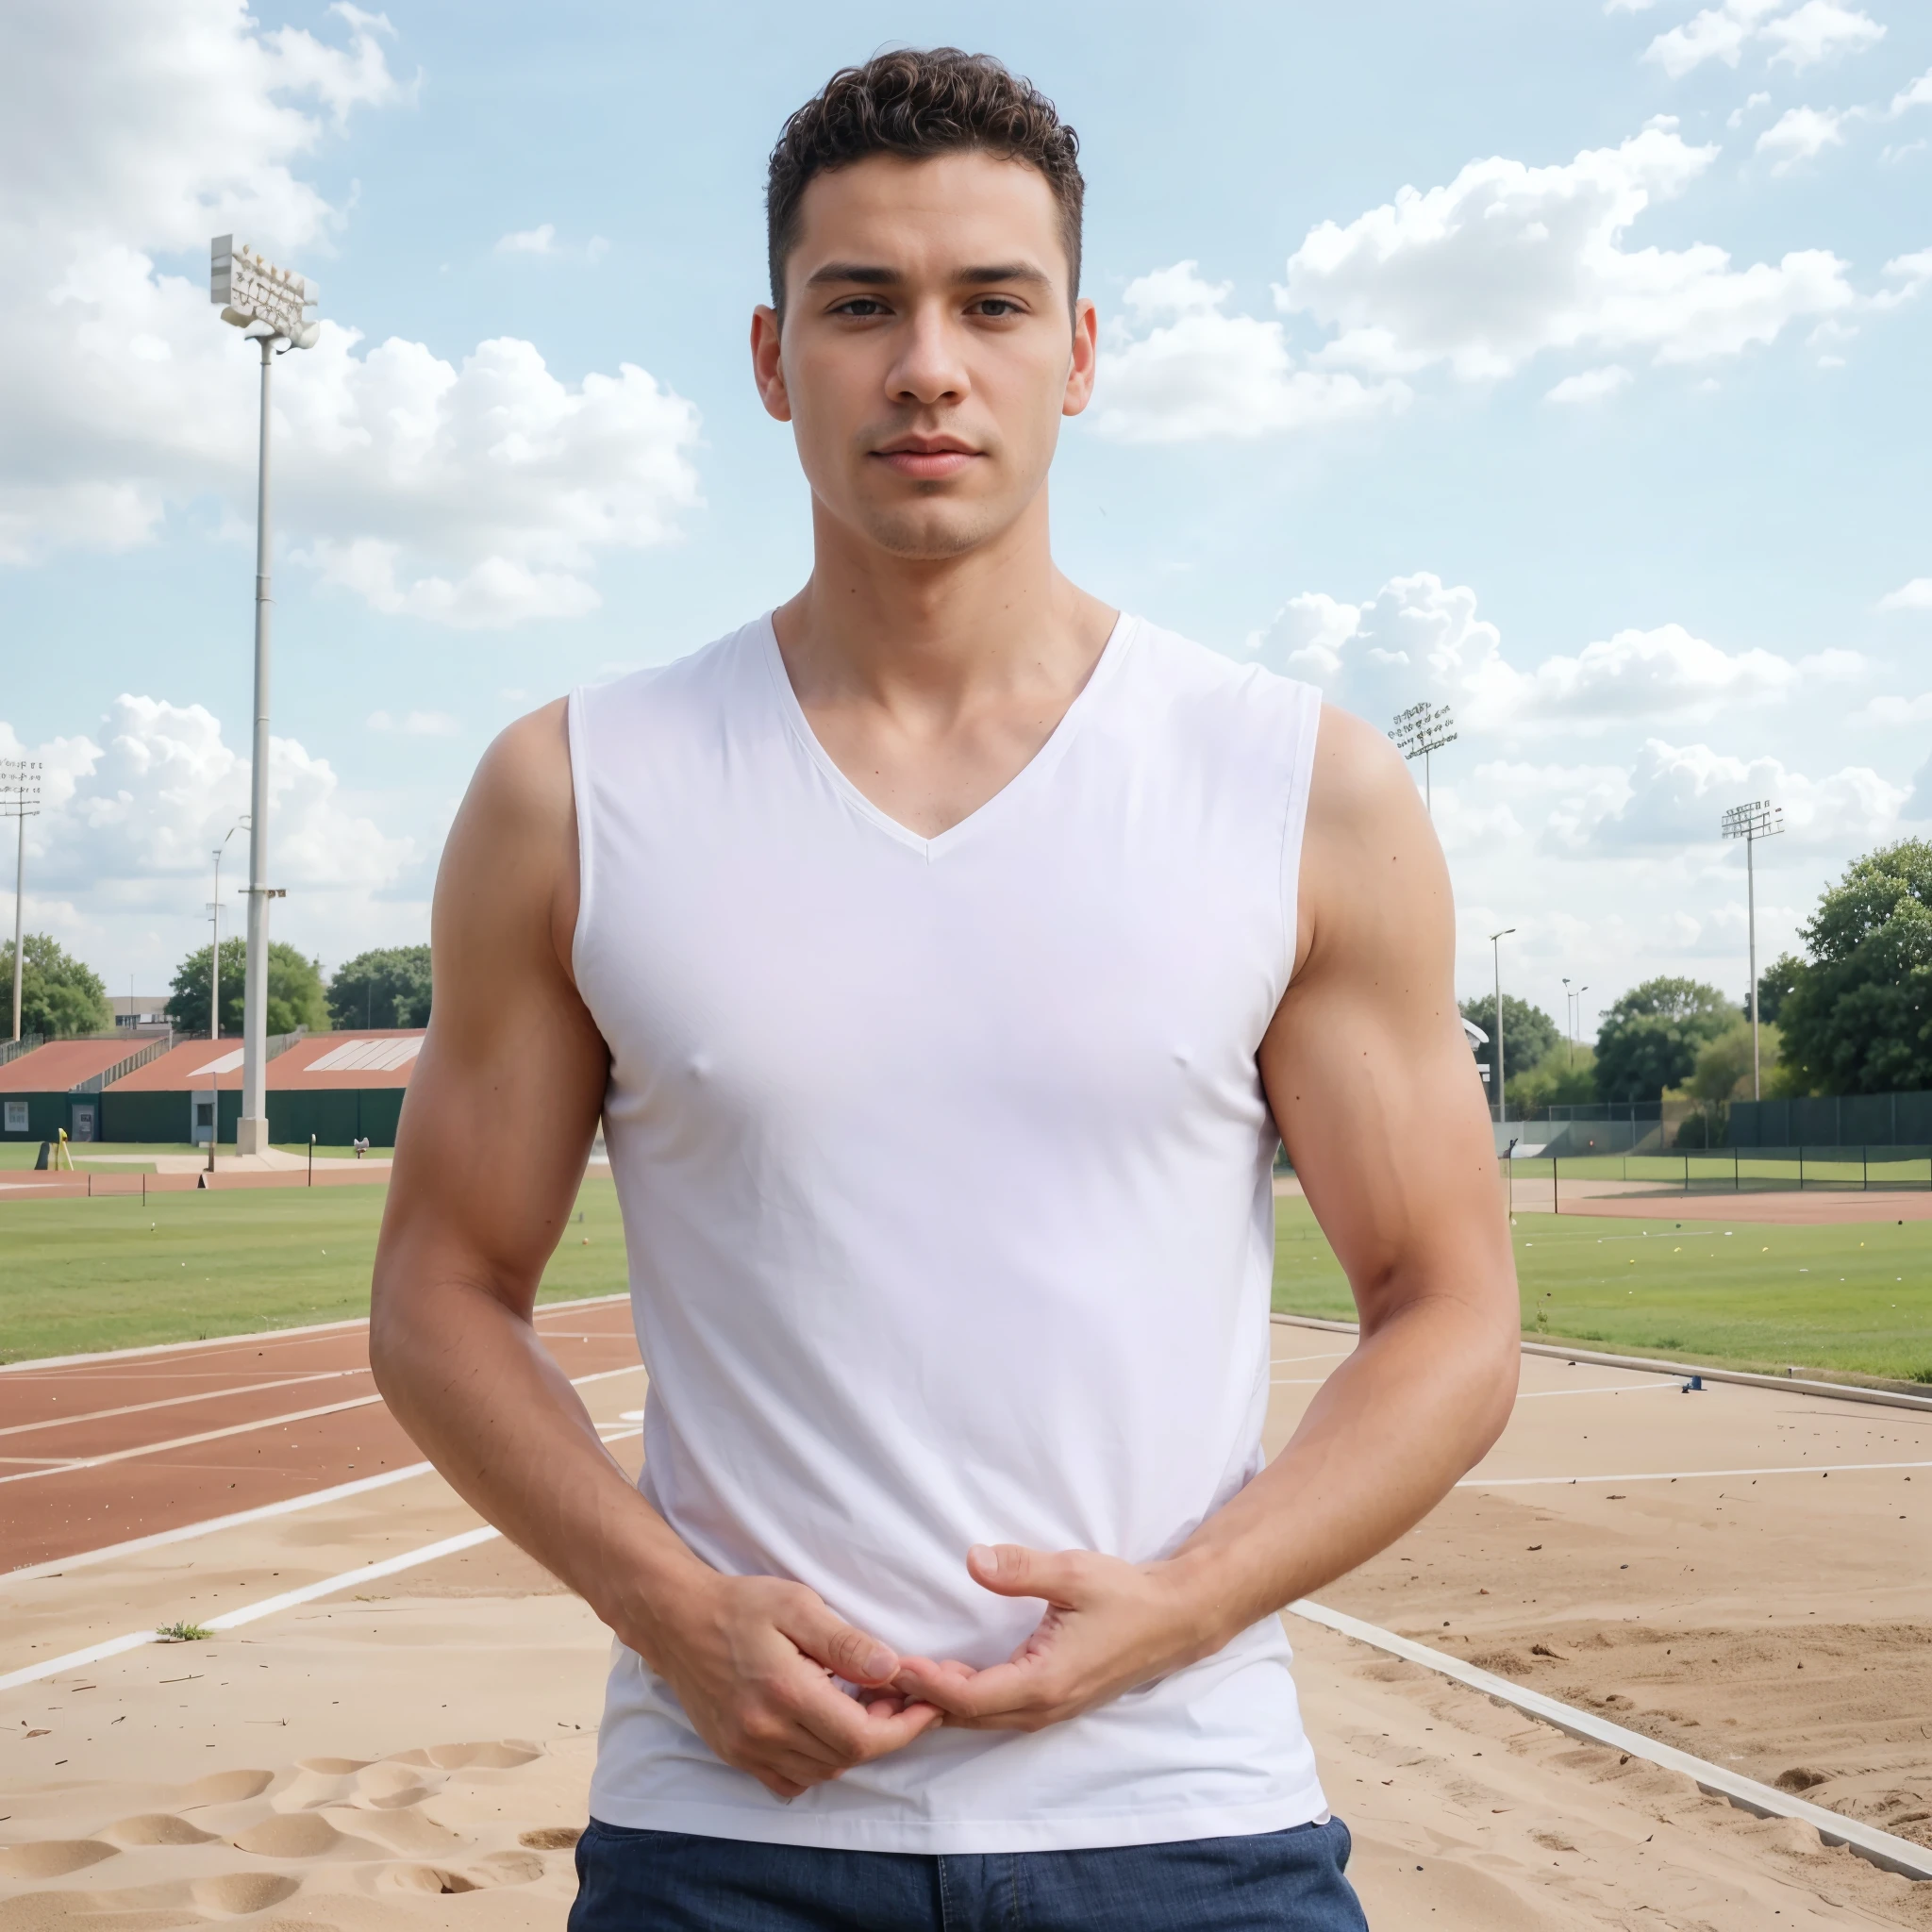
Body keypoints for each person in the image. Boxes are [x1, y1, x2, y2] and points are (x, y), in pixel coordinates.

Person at [370, 47, 1518, 1932]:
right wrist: (669, 1607)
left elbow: (1450, 1307)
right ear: (769, 358)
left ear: (1077, 351)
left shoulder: (1295, 783)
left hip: (1186, 1820)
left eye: (992, 303)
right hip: (728, 1833)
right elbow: (436, 1293)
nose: (927, 365)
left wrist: (1181, 1603)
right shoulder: (573, 789)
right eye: (860, 306)